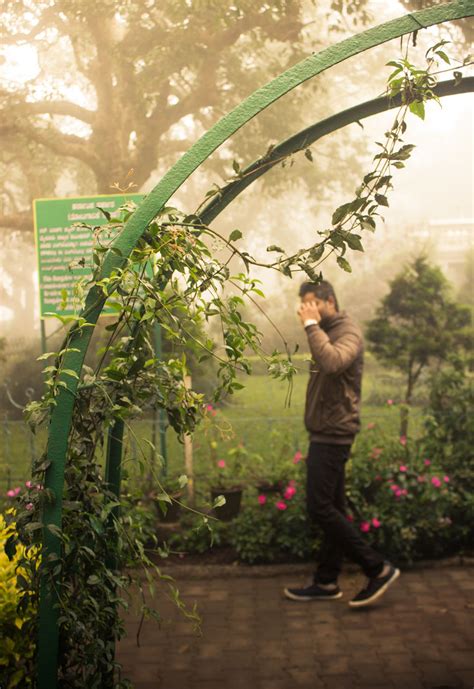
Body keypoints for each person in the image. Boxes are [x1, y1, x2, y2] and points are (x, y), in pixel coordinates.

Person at [284, 280, 399, 608]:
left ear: (328, 301)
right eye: (303, 305)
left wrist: (309, 325)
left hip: (333, 435)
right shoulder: (329, 329)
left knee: (320, 507)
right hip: (326, 430)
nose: (306, 310)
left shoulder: (348, 332)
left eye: (311, 303)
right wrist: (314, 325)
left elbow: (333, 362)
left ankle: (376, 568)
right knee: (333, 508)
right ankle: (326, 580)